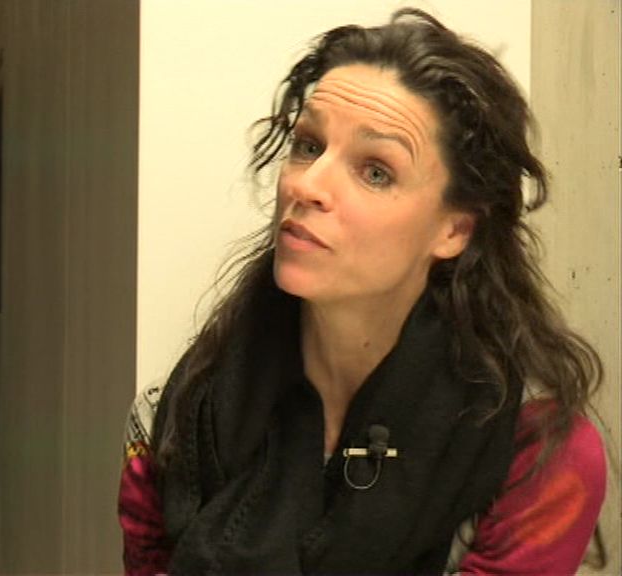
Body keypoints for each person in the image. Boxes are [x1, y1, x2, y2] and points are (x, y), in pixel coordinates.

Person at [118, 9, 607, 575]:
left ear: (454, 230)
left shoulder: (536, 455)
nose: (307, 185)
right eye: (308, 145)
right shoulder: (175, 418)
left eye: (376, 172)